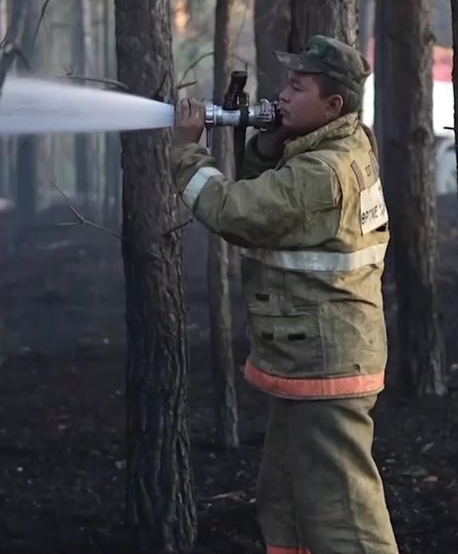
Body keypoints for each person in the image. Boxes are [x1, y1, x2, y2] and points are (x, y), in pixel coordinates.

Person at [169, 34, 398, 554]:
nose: (284, 95)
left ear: (333, 105)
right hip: (314, 356)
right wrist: (271, 141)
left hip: (326, 361)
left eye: (299, 87)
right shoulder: (344, 143)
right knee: (288, 502)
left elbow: (239, 212)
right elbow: (282, 206)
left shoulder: (323, 171)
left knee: (343, 514)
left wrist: (187, 152)